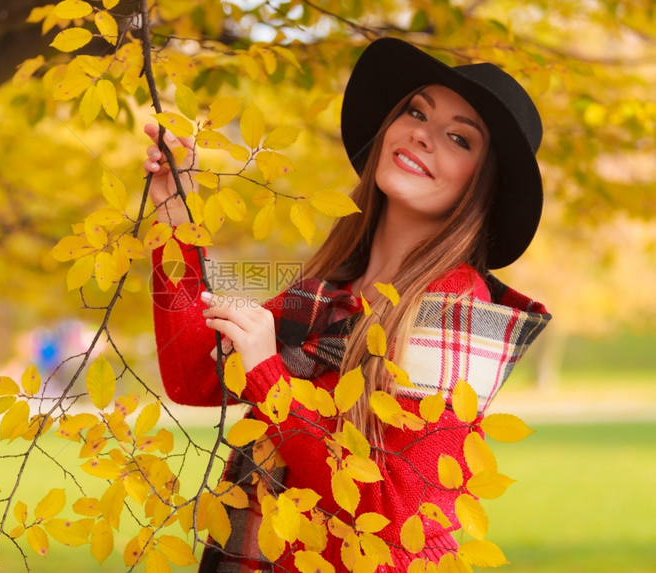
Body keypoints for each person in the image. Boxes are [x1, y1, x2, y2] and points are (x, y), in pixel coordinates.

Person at [145, 37, 551, 572]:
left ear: (482, 185)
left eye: (458, 138)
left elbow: (396, 513)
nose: (422, 135)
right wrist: (174, 216)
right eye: (416, 111)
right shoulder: (332, 291)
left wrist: (270, 376)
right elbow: (194, 374)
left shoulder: (454, 306)